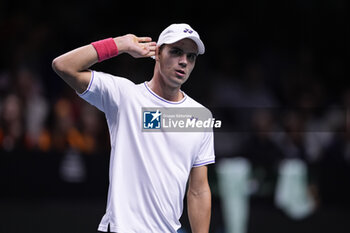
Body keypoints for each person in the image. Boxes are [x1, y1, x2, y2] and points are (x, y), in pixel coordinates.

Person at [52, 23, 215, 233]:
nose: (183, 61)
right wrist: (120, 44)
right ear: (157, 53)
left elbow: (198, 191)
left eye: (191, 56)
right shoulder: (125, 96)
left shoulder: (200, 116)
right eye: (176, 52)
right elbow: (63, 66)